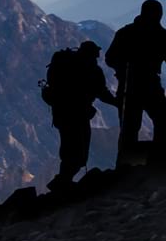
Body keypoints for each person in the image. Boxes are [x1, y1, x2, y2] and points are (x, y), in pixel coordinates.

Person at [104, 0, 166, 162]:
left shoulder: (125, 32)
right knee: (162, 123)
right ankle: (161, 157)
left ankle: (126, 164)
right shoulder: (161, 34)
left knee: (129, 128)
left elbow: (110, 58)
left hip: (128, 85)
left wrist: (122, 68)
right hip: (150, 85)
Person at [44, 40, 117, 191]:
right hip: (78, 115)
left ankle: (63, 180)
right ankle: (63, 181)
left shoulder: (64, 63)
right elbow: (102, 93)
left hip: (61, 114)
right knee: (79, 150)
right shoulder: (92, 70)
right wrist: (117, 103)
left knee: (69, 148)